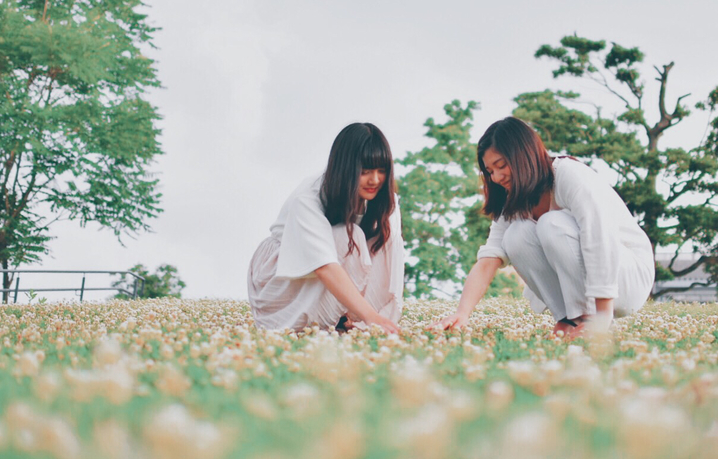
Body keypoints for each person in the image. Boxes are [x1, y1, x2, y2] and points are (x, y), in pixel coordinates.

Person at [430, 116, 654, 337]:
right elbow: (489, 259)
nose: (496, 177)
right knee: (515, 236)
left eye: (501, 166)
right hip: (597, 285)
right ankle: (570, 320)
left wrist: (603, 316)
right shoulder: (514, 199)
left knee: (551, 223)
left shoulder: (568, 175)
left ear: (523, 156)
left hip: (626, 278)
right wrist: (461, 313)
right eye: (489, 171)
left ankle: (588, 317)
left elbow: (599, 239)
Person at [248, 122, 404, 333]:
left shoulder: (386, 200)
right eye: (365, 171)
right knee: (349, 235)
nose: (374, 180)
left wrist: (377, 317)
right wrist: (371, 316)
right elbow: (323, 265)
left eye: (381, 171)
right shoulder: (309, 196)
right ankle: (350, 319)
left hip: (333, 263)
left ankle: (364, 321)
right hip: (279, 275)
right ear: (346, 169)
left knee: (389, 237)